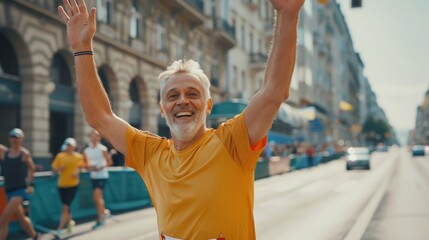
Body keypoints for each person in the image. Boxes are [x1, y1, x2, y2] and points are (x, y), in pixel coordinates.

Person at [58, 0, 303, 238]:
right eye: (172, 95)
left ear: (208, 106)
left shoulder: (232, 142)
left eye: (192, 94)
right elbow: (98, 116)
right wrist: (82, 48)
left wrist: (287, 14)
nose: (182, 101)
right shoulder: (150, 154)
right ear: (162, 109)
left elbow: (273, 91)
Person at [0, 128, 39, 240]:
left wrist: (31, 185)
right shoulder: (4, 153)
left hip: (20, 191)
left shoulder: (24, 154)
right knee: (21, 218)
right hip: (9, 190)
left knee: (3, 220)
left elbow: (32, 168)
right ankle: (35, 236)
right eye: (12, 137)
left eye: (17, 138)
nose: (14, 140)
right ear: (9, 139)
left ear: (21, 140)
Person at [51, 137, 84, 236]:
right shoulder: (60, 156)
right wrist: (59, 168)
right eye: (67, 145)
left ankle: (59, 229)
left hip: (73, 185)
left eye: (71, 145)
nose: (69, 147)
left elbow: (81, 167)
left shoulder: (79, 157)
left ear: (74, 146)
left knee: (65, 207)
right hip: (61, 185)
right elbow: (53, 169)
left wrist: (77, 172)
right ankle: (70, 222)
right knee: (66, 207)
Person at [83, 130, 112, 229]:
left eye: (96, 136)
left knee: (96, 197)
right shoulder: (86, 150)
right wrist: (91, 168)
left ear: (99, 138)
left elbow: (109, 162)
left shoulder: (103, 149)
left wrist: (101, 167)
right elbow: (86, 164)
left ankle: (100, 218)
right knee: (97, 198)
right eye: (92, 135)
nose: (94, 137)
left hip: (102, 176)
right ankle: (103, 212)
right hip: (93, 176)